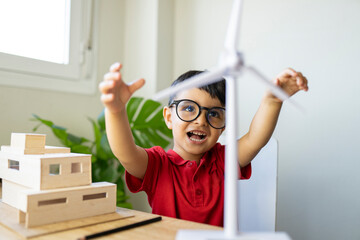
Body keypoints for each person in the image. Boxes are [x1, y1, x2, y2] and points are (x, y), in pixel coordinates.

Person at [98, 62, 308, 227]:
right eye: (189, 108)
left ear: (223, 126)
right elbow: (125, 153)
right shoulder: (157, 165)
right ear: (169, 117)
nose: (201, 120)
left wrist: (272, 101)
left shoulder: (223, 160)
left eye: (214, 114)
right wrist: (115, 110)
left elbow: (255, 138)